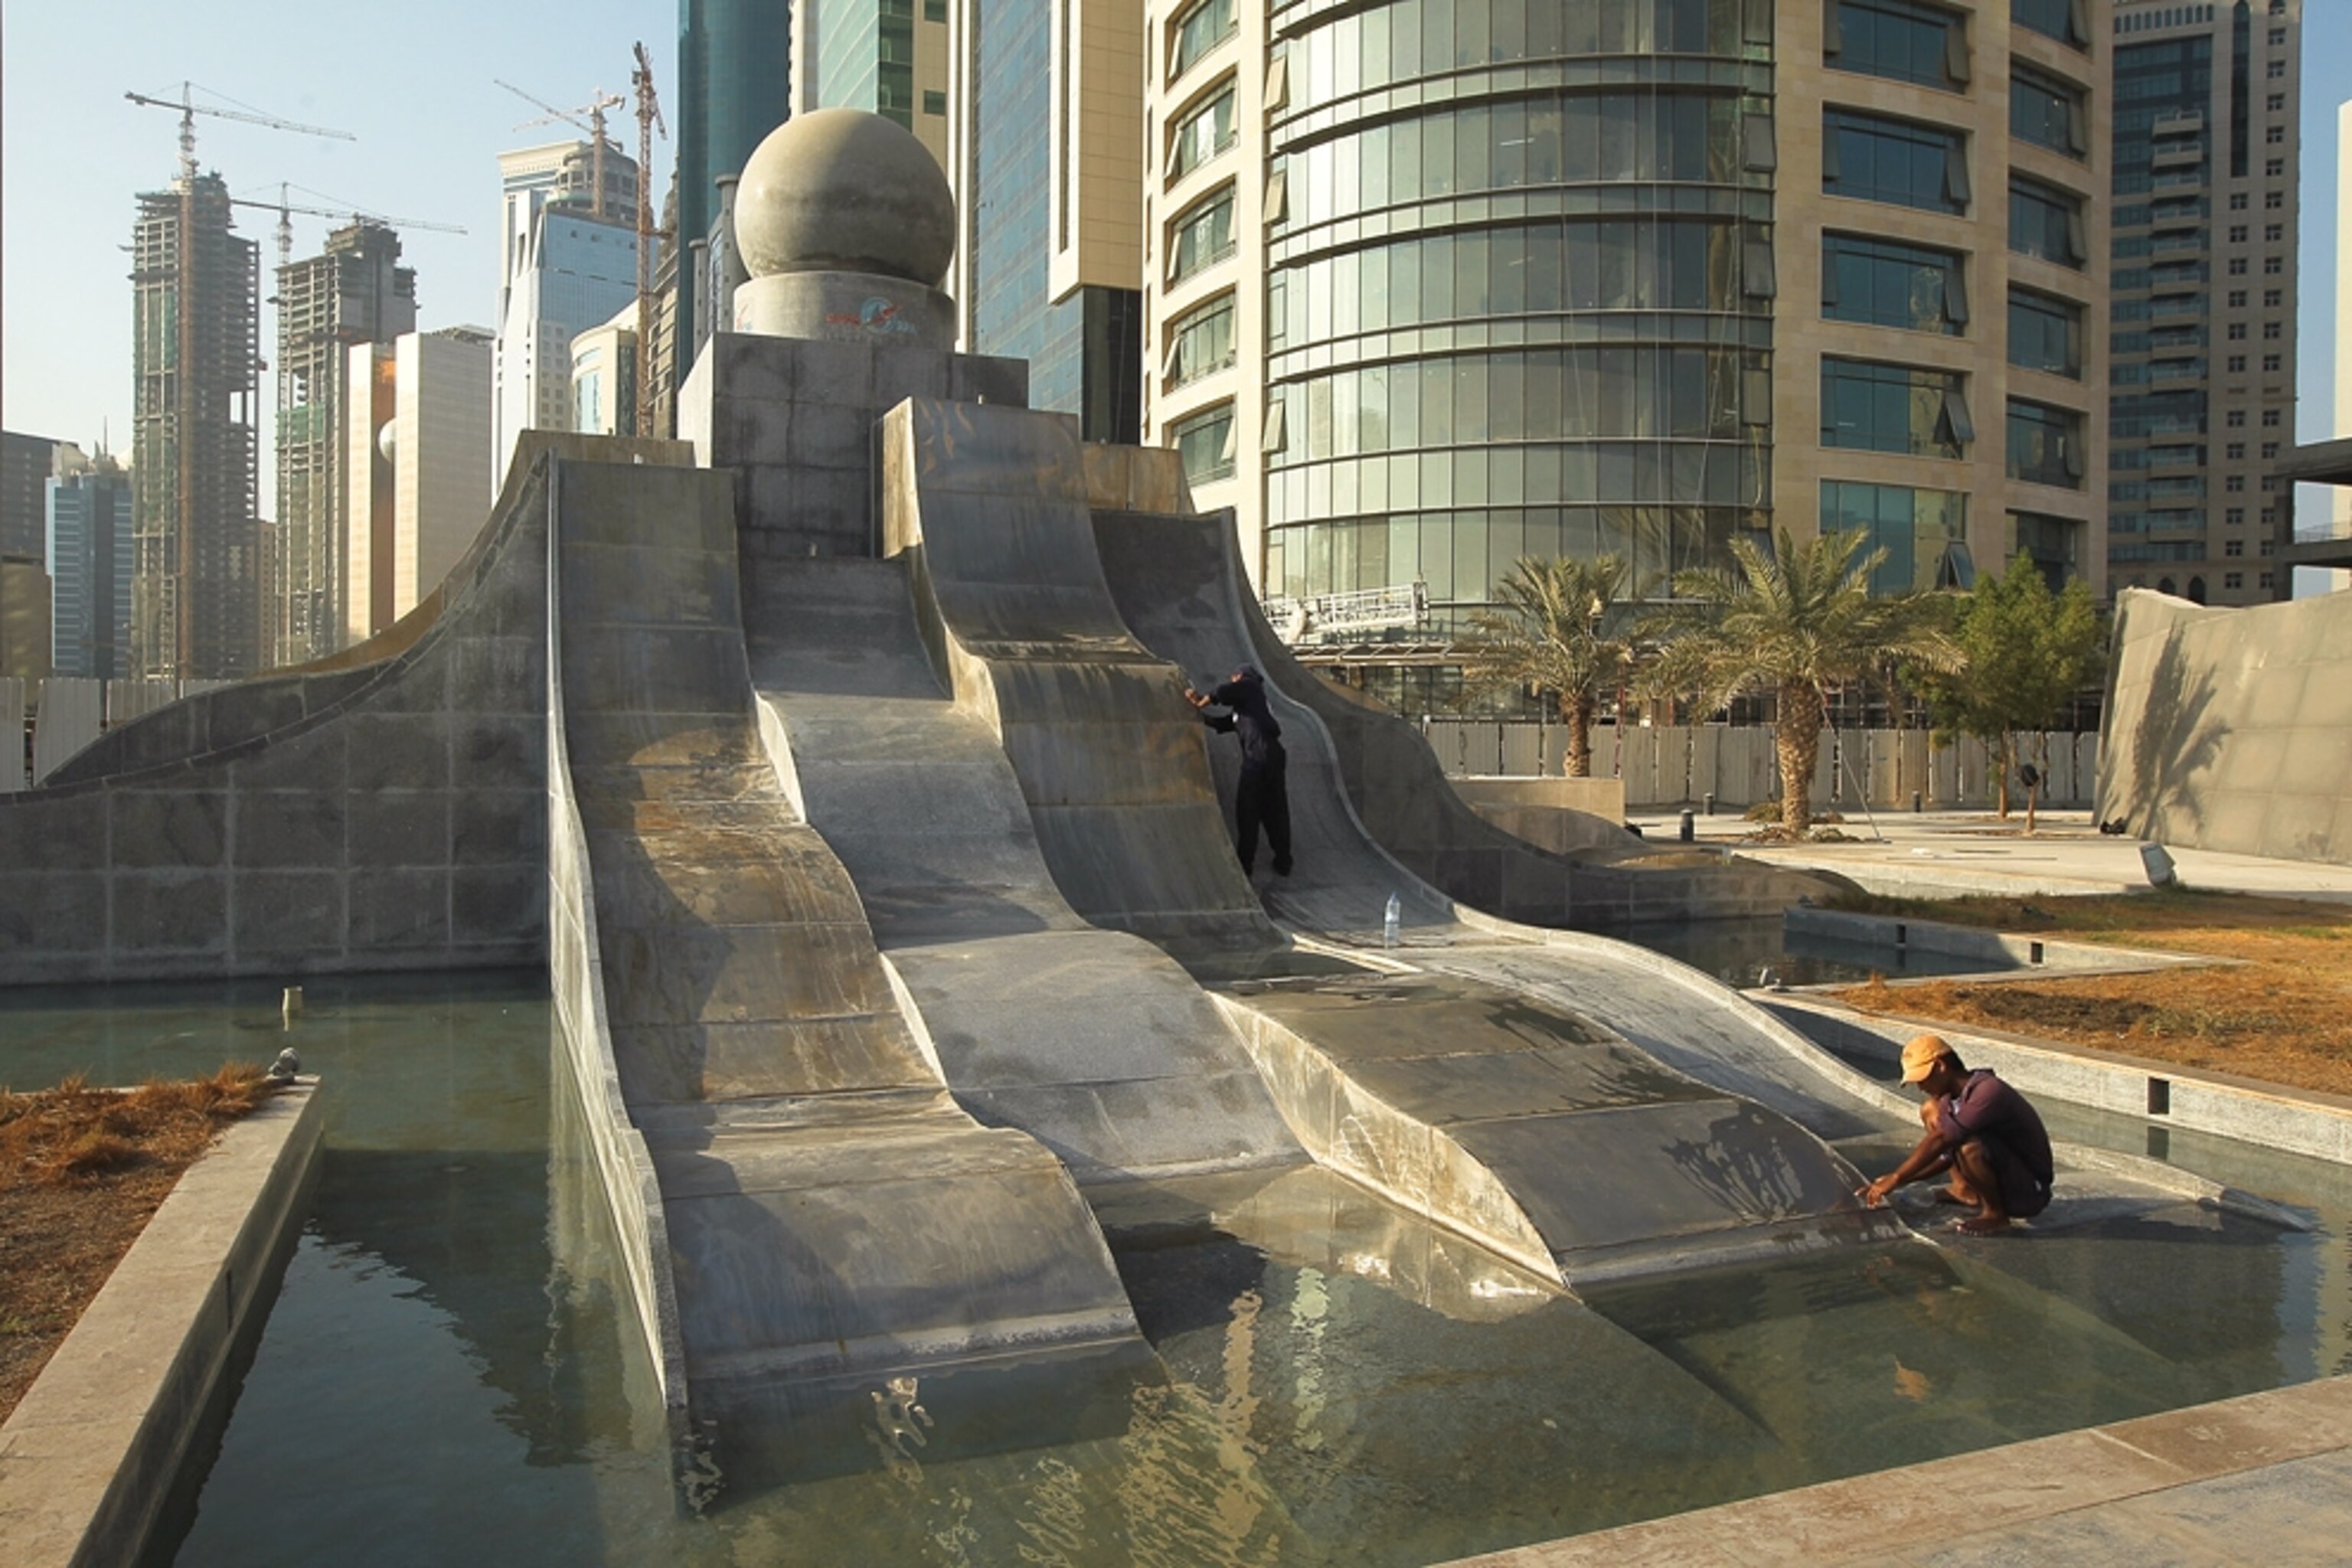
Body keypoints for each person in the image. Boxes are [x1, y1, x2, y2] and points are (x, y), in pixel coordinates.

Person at [1859, 1034, 2053, 1235]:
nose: (1920, 1087)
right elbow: (1945, 1158)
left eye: (1922, 1079)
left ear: (1941, 1067)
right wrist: (1891, 1183)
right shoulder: (1948, 1101)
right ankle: (1963, 1190)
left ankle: (1996, 1215)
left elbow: (1944, 1138)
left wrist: (1897, 1176)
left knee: (1967, 1146)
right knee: (1931, 1110)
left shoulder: (1989, 1091)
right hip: (2004, 1178)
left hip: (2029, 1191)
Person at [1184, 665, 1293, 877]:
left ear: (1240, 677)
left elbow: (1222, 693)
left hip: (1259, 757)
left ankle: (1246, 863)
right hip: (1271, 756)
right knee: (1274, 809)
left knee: (1248, 809)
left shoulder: (1250, 687)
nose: (1234, 681)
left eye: (1235, 678)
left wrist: (1201, 700)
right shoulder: (1248, 709)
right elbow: (1222, 723)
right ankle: (1283, 860)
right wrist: (1197, 714)